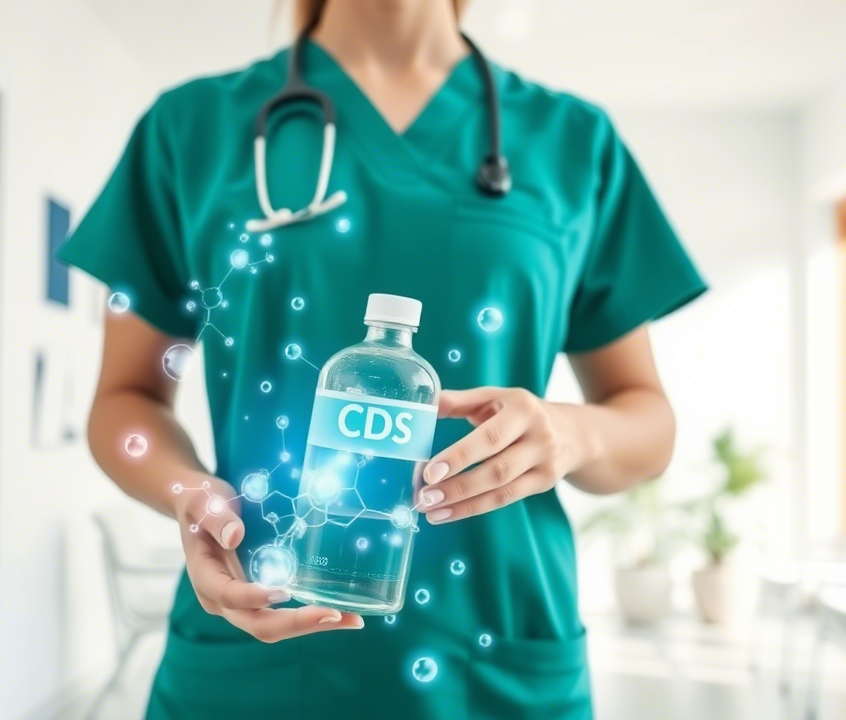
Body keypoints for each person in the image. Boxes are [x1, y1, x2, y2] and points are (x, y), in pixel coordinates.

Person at [58, 0, 705, 717]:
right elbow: (124, 401)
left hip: (497, 664)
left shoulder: (575, 144)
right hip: (254, 666)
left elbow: (648, 423)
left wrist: (570, 433)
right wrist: (189, 494)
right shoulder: (191, 130)